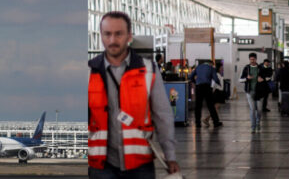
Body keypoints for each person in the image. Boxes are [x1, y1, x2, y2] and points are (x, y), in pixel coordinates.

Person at [88, 11, 180, 178]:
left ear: (129, 36)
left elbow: (163, 116)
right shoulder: (89, 72)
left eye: (119, 34)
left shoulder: (148, 70)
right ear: (101, 35)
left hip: (140, 164)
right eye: (107, 34)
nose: (112, 40)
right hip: (101, 165)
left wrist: (170, 156)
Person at [239, 52, 266, 133]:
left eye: (253, 59)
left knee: (260, 109)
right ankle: (253, 127)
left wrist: (263, 80)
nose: (252, 61)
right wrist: (247, 78)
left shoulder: (261, 68)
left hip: (260, 92)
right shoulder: (246, 68)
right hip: (249, 91)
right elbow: (240, 79)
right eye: (250, 59)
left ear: (256, 59)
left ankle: (258, 123)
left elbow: (267, 78)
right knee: (252, 109)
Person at [191, 59, 222, 128]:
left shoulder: (198, 67)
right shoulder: (211, 68)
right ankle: (216, 122)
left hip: (198, 87)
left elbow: (191, 76)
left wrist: (195, 82)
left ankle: (198, 123)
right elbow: (215, 79)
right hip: (207, 87)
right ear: (210, 63)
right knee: (210, 105)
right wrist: (219, 84)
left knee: (198, 106)